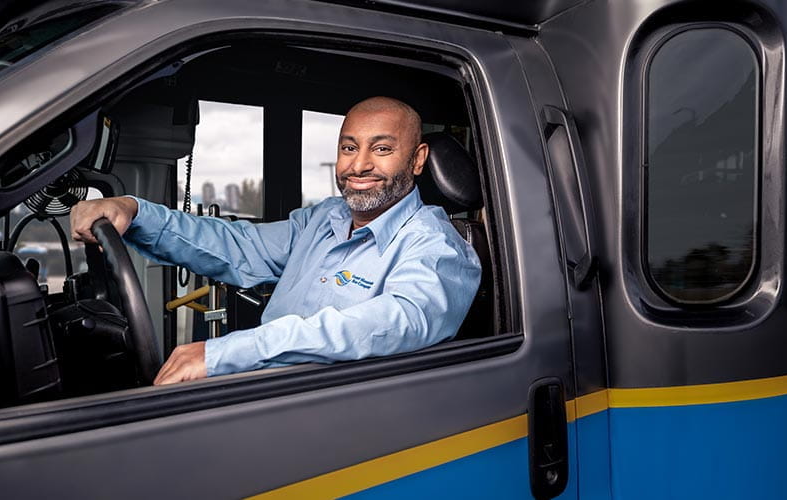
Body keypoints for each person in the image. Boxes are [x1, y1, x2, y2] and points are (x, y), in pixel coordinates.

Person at [70, 96, 481, 385]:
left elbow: (387, 324)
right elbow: (238, 245)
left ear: (419, 158)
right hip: (267, 397)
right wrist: (136, 211)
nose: (359, 165)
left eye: (383, 149)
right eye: (348, 147)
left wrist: (226, 353)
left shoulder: (437, 247)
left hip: (344, 425)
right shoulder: (325, 218)